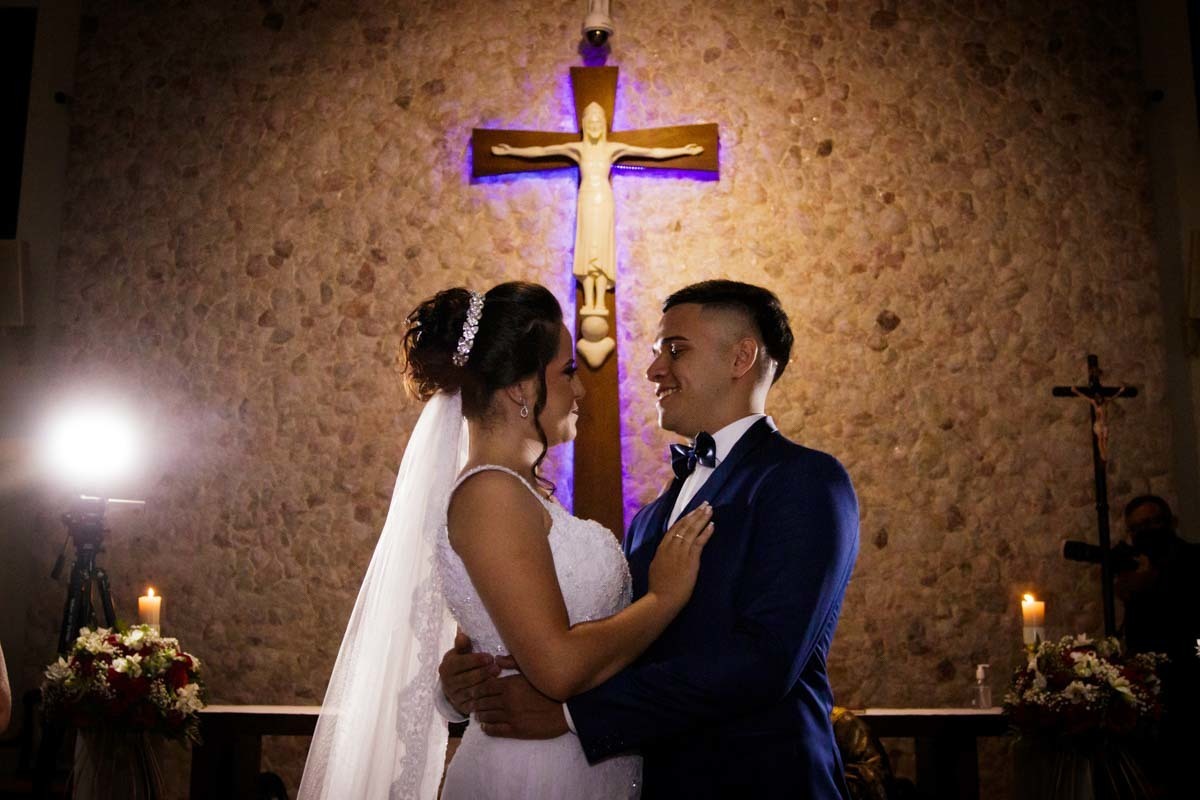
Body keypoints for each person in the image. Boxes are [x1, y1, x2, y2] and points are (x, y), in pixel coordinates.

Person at [440, 280, 860, 798]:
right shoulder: (651, 517)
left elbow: (765, 663)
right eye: (657, 352)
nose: (653, 369)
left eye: (675, 350)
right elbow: (619, 642)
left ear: (741, 358)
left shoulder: (804, 481)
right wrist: (473, 676)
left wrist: (573, 716)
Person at [298, 282, 714, 799]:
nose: (580, 390)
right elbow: (557, 667)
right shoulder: (490, 494)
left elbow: (491, 639)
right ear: (520, 388)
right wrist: (663, 598)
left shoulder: (518, 492)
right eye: (566, 372)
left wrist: (458, 683)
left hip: (577, 764)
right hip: (534, 775)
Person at [1114, 495, 1200, 799]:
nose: (1146, 532)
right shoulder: (1137, 570)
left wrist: (1154, 585)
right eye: (1137, 528)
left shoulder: (1193, 559)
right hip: (1152, 692)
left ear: (1171, 523)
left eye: (1152, 523)